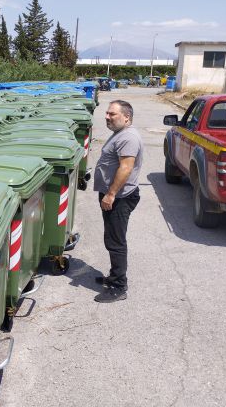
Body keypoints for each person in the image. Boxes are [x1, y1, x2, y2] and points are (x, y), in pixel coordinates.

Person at [92, 100, 143, 303]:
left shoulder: (128, 137)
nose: (107, 117)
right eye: (107, 113)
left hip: (119, 198)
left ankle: (119, 287)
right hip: (115, 196)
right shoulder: (120, 134)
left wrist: (111, 193)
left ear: (126, 117)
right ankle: (114, 277)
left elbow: (125, 168)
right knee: (112, 238)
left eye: (112, 114)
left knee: (116, 242)